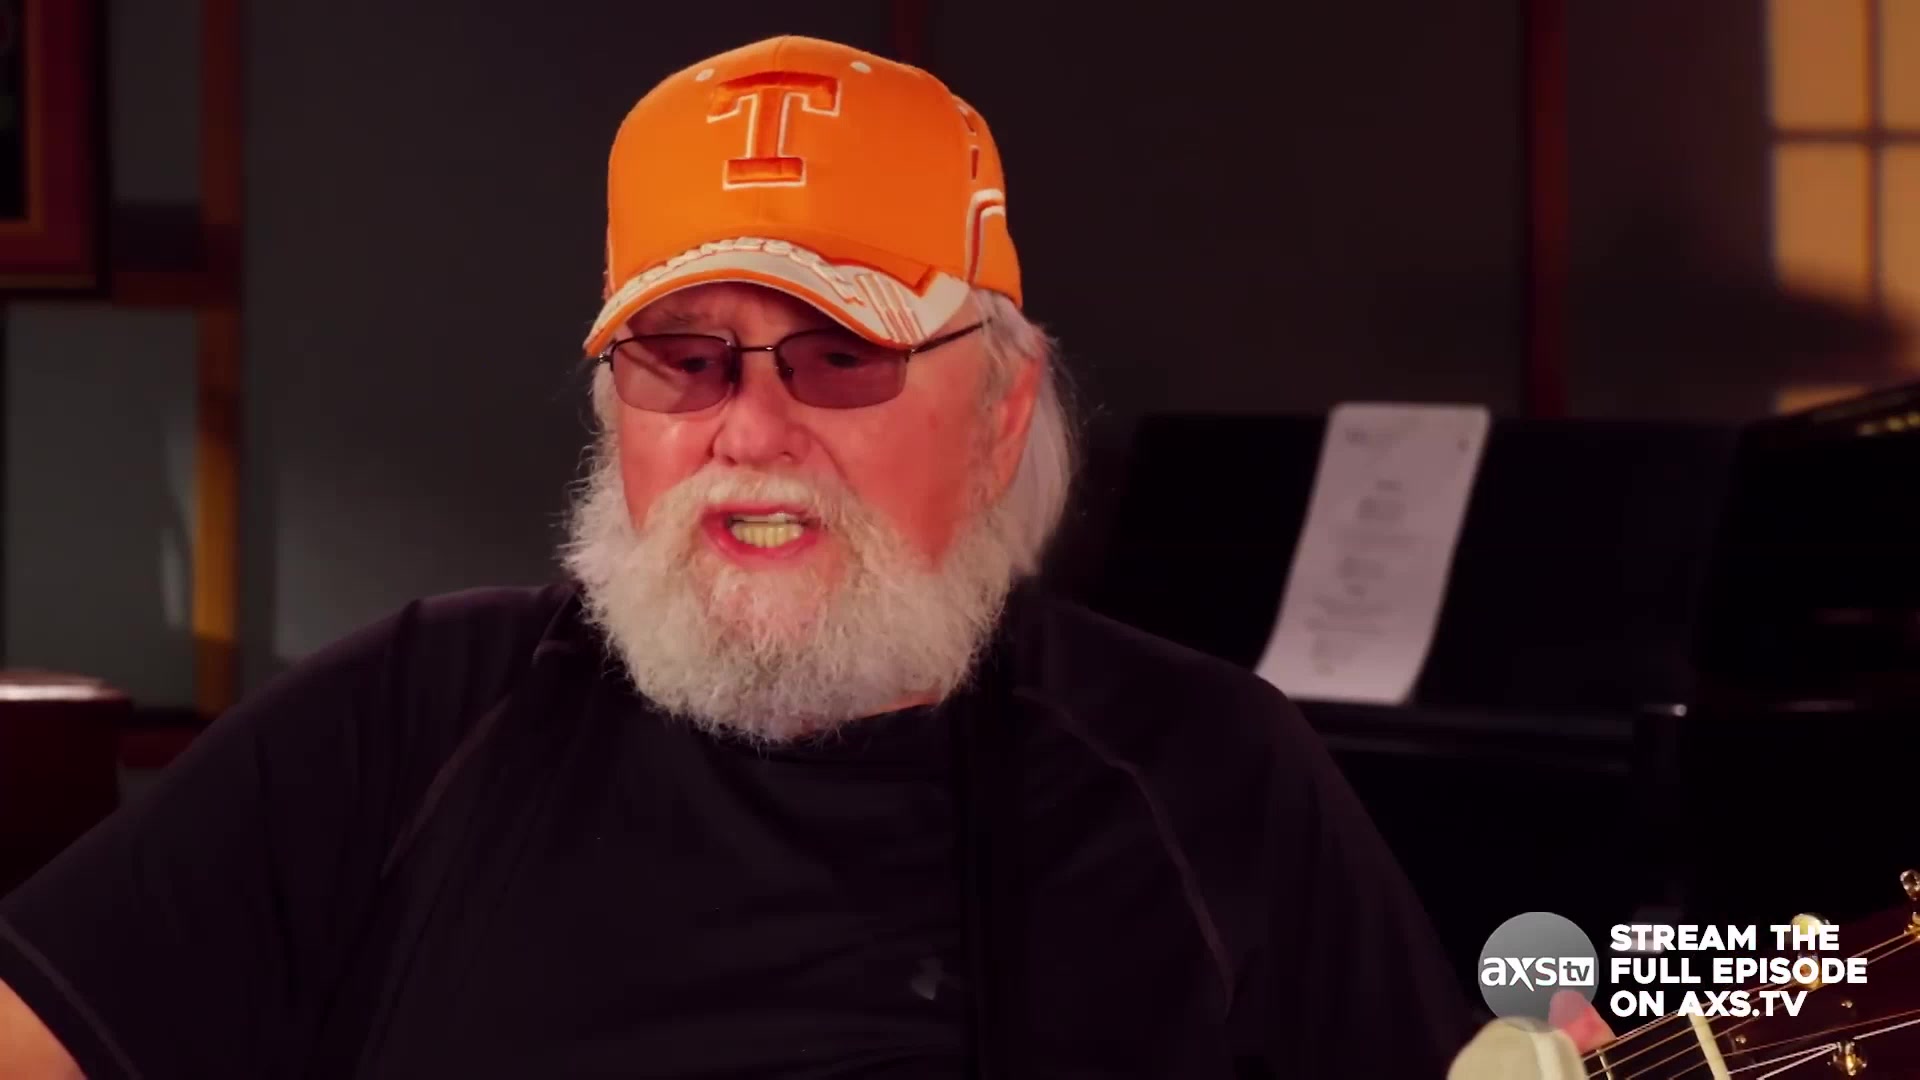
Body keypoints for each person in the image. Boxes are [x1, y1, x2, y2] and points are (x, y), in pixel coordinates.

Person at [0, 35, 1483, 1078]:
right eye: (684, 357)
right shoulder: (409, 718)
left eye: (841, 356)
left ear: (999, 411)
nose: (753, 430)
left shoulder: (1209, 772)